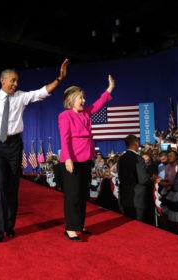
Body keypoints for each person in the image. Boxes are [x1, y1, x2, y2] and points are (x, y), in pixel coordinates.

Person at [0, 59, 69, 242]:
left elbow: (41, 92)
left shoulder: (21, 96)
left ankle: (10, 226)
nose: (16, 84)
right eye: (12, 80)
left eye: (17, 81)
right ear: (2, 81)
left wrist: (59, 79)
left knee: (12, 186)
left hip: (15, 146)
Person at [58, 75, 115, 241]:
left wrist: (109, 89)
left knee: (83, 194)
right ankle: (70, 228)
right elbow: (65, 138)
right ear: (71, 99)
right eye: (80, 97)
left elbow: (98, 104)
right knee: (72, 195)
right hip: (72, 160)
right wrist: (67, 158)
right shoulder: (65, 115)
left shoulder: (85, 114)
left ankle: (79, 224)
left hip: (85, 159)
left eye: (83, 97)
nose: (83, 100)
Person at [117, 134, 154, 224]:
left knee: (128, 225)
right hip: (138, 199)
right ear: (136, 143)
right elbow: (143, 179)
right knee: (138, 226)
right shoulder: (138, 159)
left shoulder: (121, 159)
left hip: (124, 197)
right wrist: (151, 178)